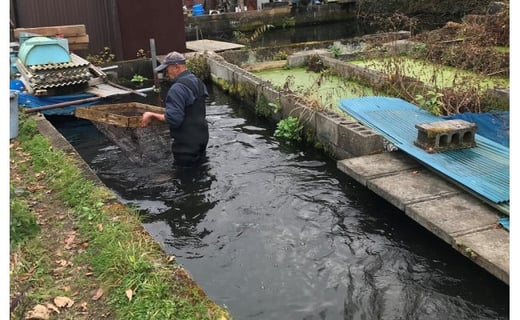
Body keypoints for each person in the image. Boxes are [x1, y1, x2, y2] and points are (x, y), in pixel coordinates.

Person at [141, 51, 209, 167]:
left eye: (167, 68)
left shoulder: (177, 89)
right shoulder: (197, 82)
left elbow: (174, 119)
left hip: (186, 146)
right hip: (202, 138)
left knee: (184, 178)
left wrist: (152, 115)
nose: (166, 72)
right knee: (201, 171)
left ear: (177, 67)